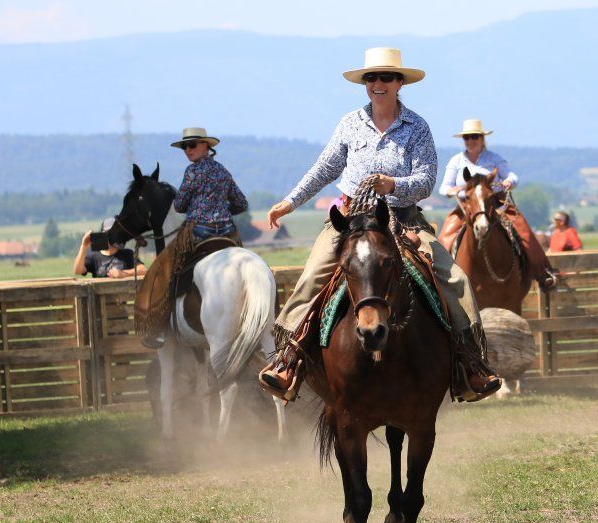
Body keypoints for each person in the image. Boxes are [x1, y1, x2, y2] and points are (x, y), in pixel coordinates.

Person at [260, 47, 500, 403]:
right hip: (351, 222)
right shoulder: (349, 123)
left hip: (403, 220)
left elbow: (427, 179)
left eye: (386, 77)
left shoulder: (417, 126)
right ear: (365, 84)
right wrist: (291, 201)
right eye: (371, 77)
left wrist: (394, 185)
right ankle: (289, 358)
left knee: (456, 279)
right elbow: (324, 168)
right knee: (312, 277)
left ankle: (470, 363)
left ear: (399, 83)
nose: (378, 83)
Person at [135, 127, 248, 347]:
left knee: (164, 268)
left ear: (206, 146)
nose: (188, 150)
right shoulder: (223, 172)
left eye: (192, 145)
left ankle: (158, 328)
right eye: (185, 146)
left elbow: (178, 205)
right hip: (227, 233)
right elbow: (241, 203)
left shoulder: (192, 172)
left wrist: (198, 208)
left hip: (198, 232)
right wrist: (222, 211)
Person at [437, 119, 556, 289]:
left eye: (474, 137)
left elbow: (513, 177)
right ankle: (440, 280)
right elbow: (444, 187)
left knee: (523, 230)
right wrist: (452, 191)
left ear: (482, 138)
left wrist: (508, 182)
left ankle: (542, 273)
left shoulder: (494, 158)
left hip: (496, 204)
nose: (470, 141)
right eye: (467, 138)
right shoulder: (456, 161)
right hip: (467, 206)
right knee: (445, 237)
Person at [73, 223, 147, 279]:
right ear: (101, 234)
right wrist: (84, 246)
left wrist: (123, 273)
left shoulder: (127, 254)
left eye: (113, 234)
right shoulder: (94, 256)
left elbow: (143, 270)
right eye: (107, 234)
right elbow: (78, 270)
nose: (110, 237)